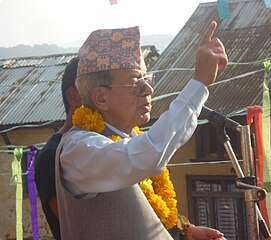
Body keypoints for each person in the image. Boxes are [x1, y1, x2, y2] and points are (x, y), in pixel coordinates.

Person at [56, 22, 228, 240]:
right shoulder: (79, 149)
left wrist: (183, 232)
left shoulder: (131, 138)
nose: (148, 90)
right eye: (136, 82)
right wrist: (199, 83)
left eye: (147, 79)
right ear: (101, 97)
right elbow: (146, 155)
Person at [34, 57, 81, 240]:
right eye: (96, 89)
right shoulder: (51, 156)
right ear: (73, 97)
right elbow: (79, 224)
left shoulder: (106, 144)